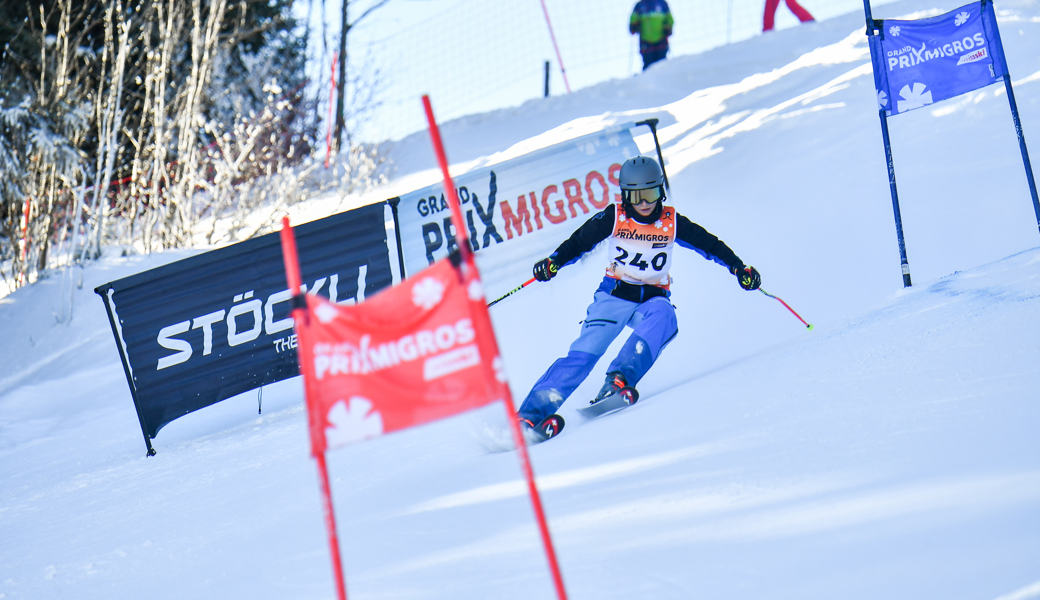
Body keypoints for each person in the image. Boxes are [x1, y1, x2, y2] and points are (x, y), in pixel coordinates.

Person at [517, 155, 761, 437]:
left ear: (661, 191)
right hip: (614, 296)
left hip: (652, 299)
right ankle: (530, 416)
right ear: (625, 195)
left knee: (665, 316)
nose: (644, 203)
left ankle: (618, 380)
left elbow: (709, 244)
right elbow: (580, 242)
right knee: (585, 355)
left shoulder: (672, 222)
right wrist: (554, 261)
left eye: (651, 194)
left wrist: (738, 266)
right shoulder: (614, 217)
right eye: (636, 196)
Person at [629, 0, 674, 71]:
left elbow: (669, 19)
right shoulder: (640, 5)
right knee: (648, 65)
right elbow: (633, 19)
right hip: (646, 40)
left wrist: (668, 27)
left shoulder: (662, 4)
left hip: (661, 39)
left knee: (662, 64)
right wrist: (633, 26)